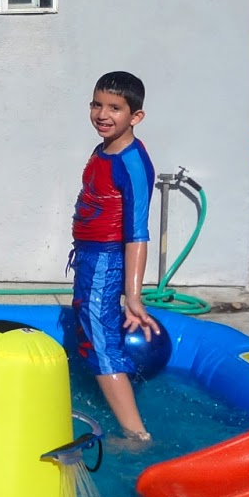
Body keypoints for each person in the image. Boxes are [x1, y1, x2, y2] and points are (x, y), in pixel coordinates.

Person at [70, 70, 160, 444]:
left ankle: (136, 435)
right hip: (89, 256)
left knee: (102, 340)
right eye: (97, 104)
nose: (102, 114)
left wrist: (133, 294)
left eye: (115, 108)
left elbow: (137, 232)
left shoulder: (133, 163)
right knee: (91, 330)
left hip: (107, 259)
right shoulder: (103, 149)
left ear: (135, 116)